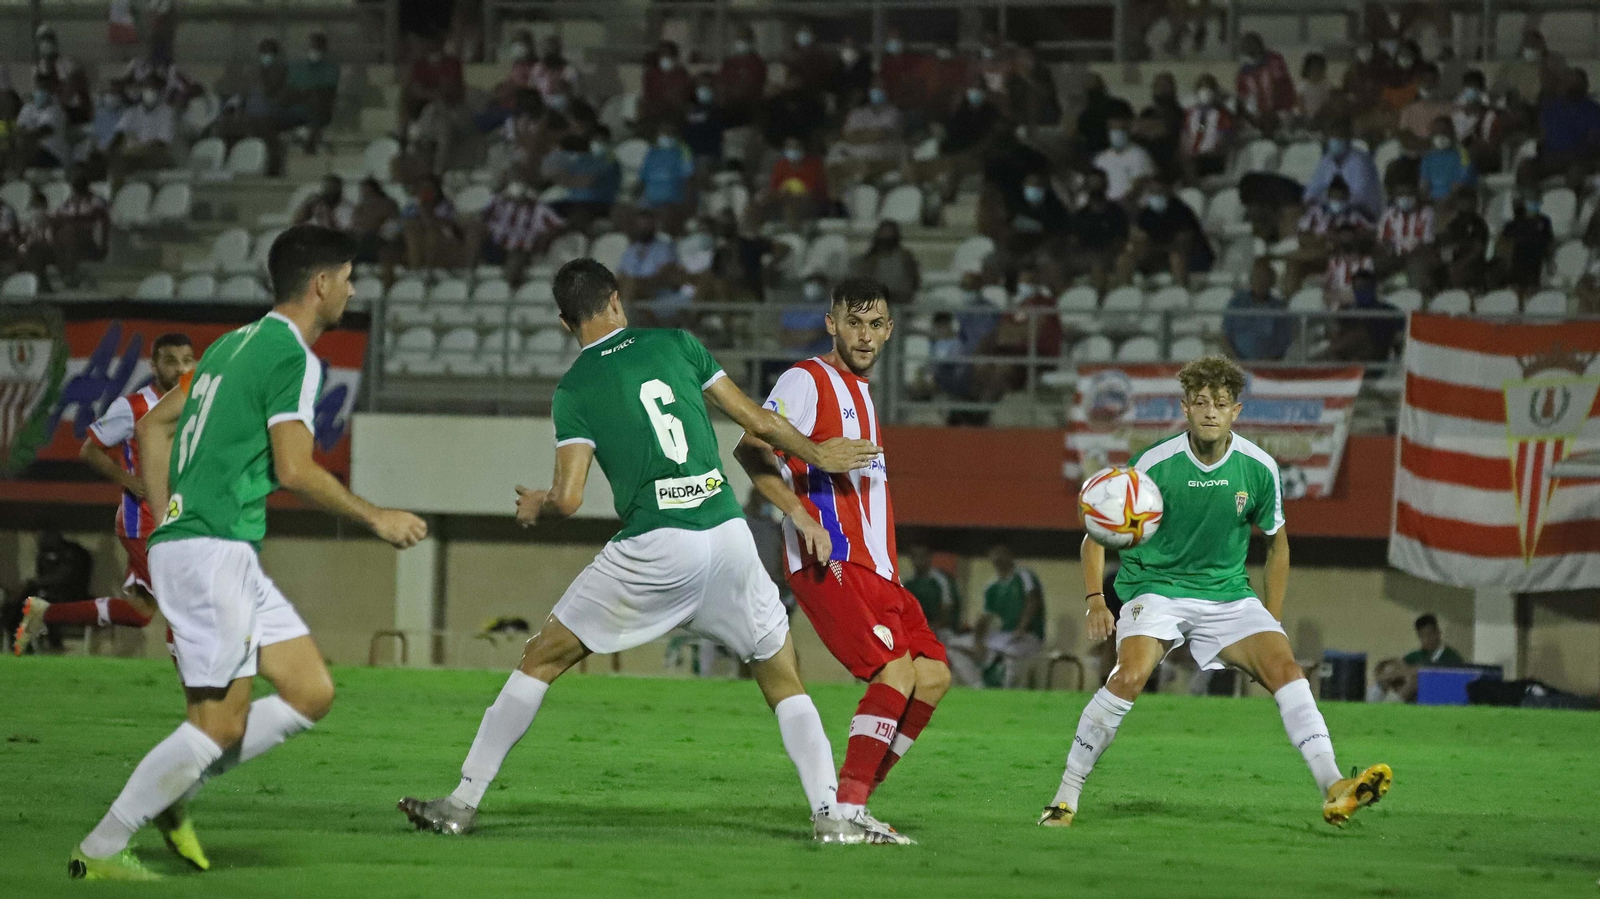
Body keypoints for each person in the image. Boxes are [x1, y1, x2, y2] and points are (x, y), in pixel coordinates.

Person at [397, 259, 884, 844]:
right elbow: (756, 420)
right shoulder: (677, 344)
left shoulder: (575, 388)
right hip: (727, 535)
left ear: (562, 322)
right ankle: (829, 814)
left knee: (541, 658)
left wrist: (539, 503)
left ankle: (461, 802)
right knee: (783, 676)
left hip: (656, 545)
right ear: (617, 301)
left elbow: (572, 498)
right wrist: (819, 454)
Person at [65, 226, 429, 880]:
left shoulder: (232, 344)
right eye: (348, 277)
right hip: (212, 554)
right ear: (321, 284)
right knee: (216, 725)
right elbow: (294, 467)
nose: (352, 289)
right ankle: (100, 848)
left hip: (205, 545)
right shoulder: (293, 355)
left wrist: (163, 513)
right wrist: (376, 515)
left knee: (309, 691)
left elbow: (153, 427)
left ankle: (177, 789)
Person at [1040, 355, 1393, 829]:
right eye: (1201, 402)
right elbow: (1095, 533)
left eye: (1221, 404)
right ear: (1185, 408)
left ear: (1236, 411)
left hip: (1227, 595)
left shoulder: (1259, 468)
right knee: (1129, 676)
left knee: (1285, 667)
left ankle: (1334, 786)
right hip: (1156, 588)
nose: (1210, 411)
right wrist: (1096, 601)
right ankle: (1065, 797)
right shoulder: (1153, 465)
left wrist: (1272, 618)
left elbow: (1278, 547)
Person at [735, 277, 953, 845]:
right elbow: (748, 448)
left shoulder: (862, 393)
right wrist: (801, 516)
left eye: (875, 324)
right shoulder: (807, 381)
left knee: (931, 677)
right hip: (828, 558)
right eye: (853, 322)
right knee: (894, 671)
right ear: (831, 323)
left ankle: (851, 804)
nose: (865, 334)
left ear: (889, 330)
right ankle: (847, 811)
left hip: (879, 569)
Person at [13, 336, 195, 653]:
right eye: (171, 360)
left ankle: (44, 613)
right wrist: (128, 478)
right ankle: (196, 687)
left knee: (140, 612)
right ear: (153, 366)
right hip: (144, 523)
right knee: (185, 598)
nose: (181, 368)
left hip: (177, 520)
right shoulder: (134, 407)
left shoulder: (194, 404)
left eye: (187, 360)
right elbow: (90, 450)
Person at [1281, 177, 1372, 295]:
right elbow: (1302, 236)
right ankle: (1290, 302)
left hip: (1345, 257)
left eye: (1341, 198)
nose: (1337, 201)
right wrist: (1322, 239)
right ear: (1328, 196)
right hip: (1320, 256)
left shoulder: (1355, 216)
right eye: (1334, 197)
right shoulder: (1315, 214)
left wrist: (1346, 238)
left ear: (1347, 197)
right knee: (1294, 265)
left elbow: (1369, 235)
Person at [970, 545, 1045, 688]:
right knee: (956, 648)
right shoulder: (991, 586)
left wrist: (1022, 628)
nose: (997, 558)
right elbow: (985, 617)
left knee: (1010, 652)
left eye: (1001, 553)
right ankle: (978, 686)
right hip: (1002, 637)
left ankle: (1007, 691)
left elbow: (1033, 601)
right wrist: (978, 641)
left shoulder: (1023, 576)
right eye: (993, 554)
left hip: (1028, 636)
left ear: (1009, 554)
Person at [1116, 178, 1212, 286]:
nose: (1156, 196)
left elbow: (1183, 243)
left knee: (1176, 258)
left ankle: (1181, 292)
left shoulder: (1181, 211)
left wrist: (1155, 248)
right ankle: (1124, 292)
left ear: (1168, 191)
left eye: (1159, 192)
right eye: (1152, 192)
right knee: (1124, 259)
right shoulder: (1146, 214)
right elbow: (1141, 238)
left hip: (1190, 257)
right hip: (1158, 256)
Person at [472, 177, 563, 287]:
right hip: (498, 247)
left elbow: (558, 226)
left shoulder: (539, 211)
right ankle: (470, 273)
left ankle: (513, 283)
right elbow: (482, 219)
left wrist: (540, 240)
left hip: (523, 249)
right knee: (475, 233)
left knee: (519, 251)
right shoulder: (500, 205)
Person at [825, 77, 906, 191]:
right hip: (854, 153)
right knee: (834, 154)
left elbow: (882, 135)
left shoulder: (893, 113)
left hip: (880, 154)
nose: (876, 92)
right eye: (874, 88)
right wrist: (868, 135)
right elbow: (848, 136)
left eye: (880, 88)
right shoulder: (857, 113)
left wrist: (861, 135)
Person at [1303, 120, 1383, 220]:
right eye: (1333, 138)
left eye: (1340, 138)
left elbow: (1359, 196)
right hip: (1331, 209)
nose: (1336, 141)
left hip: (1363, 214)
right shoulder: (1326, 160)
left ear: (1348, 140)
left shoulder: (1360, 161)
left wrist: (1329, 200)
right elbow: (1313, 189)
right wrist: (1311, 201)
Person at [1065, 168, 1129, 293]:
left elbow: (1121, 240)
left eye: (1098, 184)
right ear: (1087, 187)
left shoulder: (1117, 212)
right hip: (1086, 257)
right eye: (1092, 184)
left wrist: (1105, 254)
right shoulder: (1079, 215)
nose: (1096, 188)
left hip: (1110, 255)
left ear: (1105, 186)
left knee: (1099, 265)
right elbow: (1074, 243)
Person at [47, 170, 111, 288]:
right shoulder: (67, 204)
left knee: (70, 232)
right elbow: (54, 219)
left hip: (90, 244)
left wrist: (103, 247)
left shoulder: (97, 202)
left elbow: (103, 225)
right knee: (60, 234)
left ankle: (69, 275)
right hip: (67, 242)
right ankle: (66, 274)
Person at [109, 78, 177, 186]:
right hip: (132, 152)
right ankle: (117, 194)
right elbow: (120, 133)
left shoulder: (167, 113)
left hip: (155, 153)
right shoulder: (133, 111)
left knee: (139, 159)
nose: (150, 92)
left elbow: (162, 142)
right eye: (147, 88)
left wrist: (140, 148)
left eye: (154, 89)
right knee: (115, 158)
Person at [1224, 260, 1292, 361]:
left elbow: (1283, 342)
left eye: (1265, 278)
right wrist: (1237, 361)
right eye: (1257, 277)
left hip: (1269, 366)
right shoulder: (1237, 302)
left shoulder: (1279, 307)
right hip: (1238, 363)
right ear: (1251, 280)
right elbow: (1225, 336)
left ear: (1272, 282)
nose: (1261, 282)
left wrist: (1267, 362)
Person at [1376, 182, 1437, 290]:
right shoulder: (1389, 214)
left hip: (1418, 255)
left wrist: (1408, 254)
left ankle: (1418, 298)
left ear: (1415, 195)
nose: (1405, 198)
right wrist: (1390, 250)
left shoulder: (1426, 213)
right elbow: (1383, 240)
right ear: (1395, 196)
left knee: (1418, 270)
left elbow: (1427, 242)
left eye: (1409, 194)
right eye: (1401, 194)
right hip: (1394, 255)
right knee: (1373, 264)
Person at [286, 33, 340, 154]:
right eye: (312, 47)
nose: (314, 51)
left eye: (317, 48)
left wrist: (309, 91)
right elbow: (290, 89)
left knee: (317, 97)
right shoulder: (297, 67)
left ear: (324, 49)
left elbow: (328, 92)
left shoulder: (330, 69)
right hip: (298, 107)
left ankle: (309, 136)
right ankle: (309, 135)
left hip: (320, 109)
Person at [635, 123, 695, 230]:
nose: (665, 137)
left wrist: (687, 202)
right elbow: (643, 177)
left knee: (666, 224)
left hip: (672, 200)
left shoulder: (682, 152)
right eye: (663, 134)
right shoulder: (652, 153)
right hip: (650, 199)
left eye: (669, 134)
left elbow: (688, 177)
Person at [1234, 32, 1296, 135]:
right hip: (1257, 116)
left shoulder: (1274, 60)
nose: (1247, 47)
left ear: (1259, 44)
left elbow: (1282, 85)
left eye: (1250, 43)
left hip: (1279, 111)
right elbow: (1242, 96)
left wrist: (1278, 109)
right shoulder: (1244, 72)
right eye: (1245, 45)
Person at [1493, 192, 1554, 295]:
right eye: (1515, 203)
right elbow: (1502, 247)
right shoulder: (1511, 226)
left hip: (1535, 263)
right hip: (1516, 265)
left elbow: (1549, 242)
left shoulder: (1543, 222)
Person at [849, 220, 920, 304]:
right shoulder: (869, 260)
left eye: (889, 232)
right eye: (884, 232)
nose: (886, 236)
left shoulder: (905, 257)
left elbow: (914, 281)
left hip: (901, 301)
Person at [1179, 74, 1233, 183]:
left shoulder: (1222, 115)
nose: (1206, 92)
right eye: (1202, 88)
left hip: (1212, 158)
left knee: (1193, 166)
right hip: (1192, 156)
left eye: (1209, 89)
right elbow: (1184, 138)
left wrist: (1205, 154)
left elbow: (1223, 142)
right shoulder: (1190, 114)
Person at [763, 137, 828, 227]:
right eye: (789, 147)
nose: (793, 151)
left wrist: (793, 196)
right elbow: (774, 189)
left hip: (810, 202)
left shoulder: (814, 165)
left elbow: (814, 191)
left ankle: (795, 233)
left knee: (791, 206)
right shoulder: (780, 166)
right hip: (782, 200)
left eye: (796, 147)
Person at [13, 74, 70, 173]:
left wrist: (25, 136)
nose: (41, 91)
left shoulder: (56, 110)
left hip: (53, 154)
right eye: (39, 87)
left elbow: (42, 131)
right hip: (31, 153)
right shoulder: (27, 108)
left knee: (27, 149)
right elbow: (19, 130)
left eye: (45, 88)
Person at [1093, 116, 1154, 202]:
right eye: (1114, 130)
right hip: (1107, 208)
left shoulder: (1139, 155)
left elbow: (1139, 184)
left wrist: (1120, 206)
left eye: (1121, 129)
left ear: (1128, 131)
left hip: (1132, 207)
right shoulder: (1100, 158)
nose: (1118, 133)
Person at [1419, 116, 1475, 202]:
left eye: (1444, 131)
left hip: (1455, 201)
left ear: (1452, 132)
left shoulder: (1462, 153)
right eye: (1436, 132)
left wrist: (1447, 200)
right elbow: (1424, 185)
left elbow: (1462, 182)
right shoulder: (1428, 157)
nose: (1440, 135)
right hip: (1432, 203)